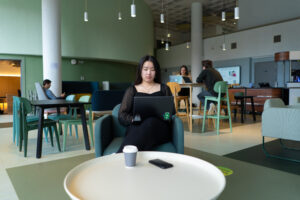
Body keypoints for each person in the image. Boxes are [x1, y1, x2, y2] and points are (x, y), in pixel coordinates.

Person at [117, 55, 174, 153]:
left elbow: (171, 113)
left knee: (150, 121)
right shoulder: (132, 90)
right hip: (136, 127)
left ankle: (120, 155)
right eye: (145, 69)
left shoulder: (164, 89)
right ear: (140, 71)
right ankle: (125, 154)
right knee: (141, 126)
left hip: (159, 128)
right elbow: (122, 115)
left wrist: (165, 116)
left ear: (156, 72)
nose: (149, 73)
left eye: (152, 69)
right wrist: (132, 119)